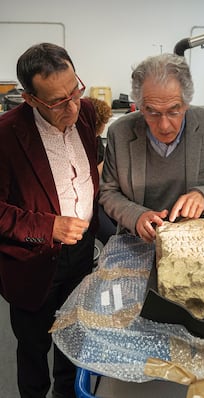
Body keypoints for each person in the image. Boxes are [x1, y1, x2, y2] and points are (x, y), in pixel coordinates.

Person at [0, 43, 99, 398]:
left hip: (82, 254)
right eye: (58, 101)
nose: (72, 106)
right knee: (33, 349)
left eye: (75, 91)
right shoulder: (6, 135)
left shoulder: (85, 113)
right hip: (34, 262)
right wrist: (49, 227)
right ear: (29, 99)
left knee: (73, 340)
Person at [99, 53, 204, 242]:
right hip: (138, 240)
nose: (164, 126)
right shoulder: (120, 132)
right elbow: (108, 192)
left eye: (174, 111)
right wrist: (136, 215)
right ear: (139, 105)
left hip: (200, 241)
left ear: (186, 103)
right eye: (152, 112)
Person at [85, 96, 113, 177]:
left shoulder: (96, 139)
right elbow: (92, 176)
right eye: (105, 122)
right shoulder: (82, 143)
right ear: (97, 122)